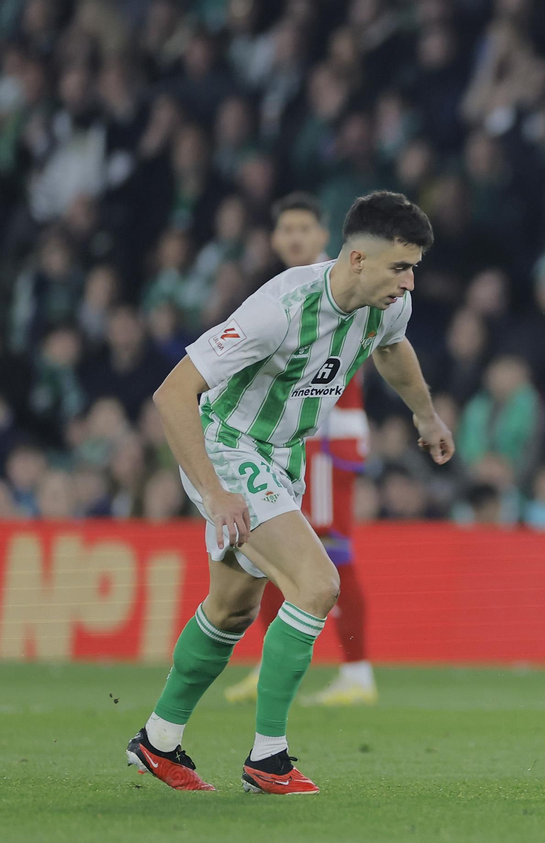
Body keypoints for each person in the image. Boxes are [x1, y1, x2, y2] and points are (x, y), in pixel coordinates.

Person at [127, 191, 453, 794]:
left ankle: (158, 740)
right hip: (231, 450)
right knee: (318, 583)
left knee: (230, 610)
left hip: (284, 457)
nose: (409, 283)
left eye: (413, 268)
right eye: (399, 267)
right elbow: (173, 394)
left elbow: (393, 352)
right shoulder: (278, 309)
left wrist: (425, 416)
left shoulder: (387, 307)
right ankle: (268, 758)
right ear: (357, 258)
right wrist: (215, 491)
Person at [224, 193, 379, 706]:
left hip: (326, 442)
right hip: (281, 439)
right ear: (273, 239)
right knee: (271, 549)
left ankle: (358, 674)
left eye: (303, 228)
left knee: (334, 552)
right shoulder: (277, 293)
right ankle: (270, 665)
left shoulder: (342, 288)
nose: (293, 237)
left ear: (322, 238)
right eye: (285, 228)